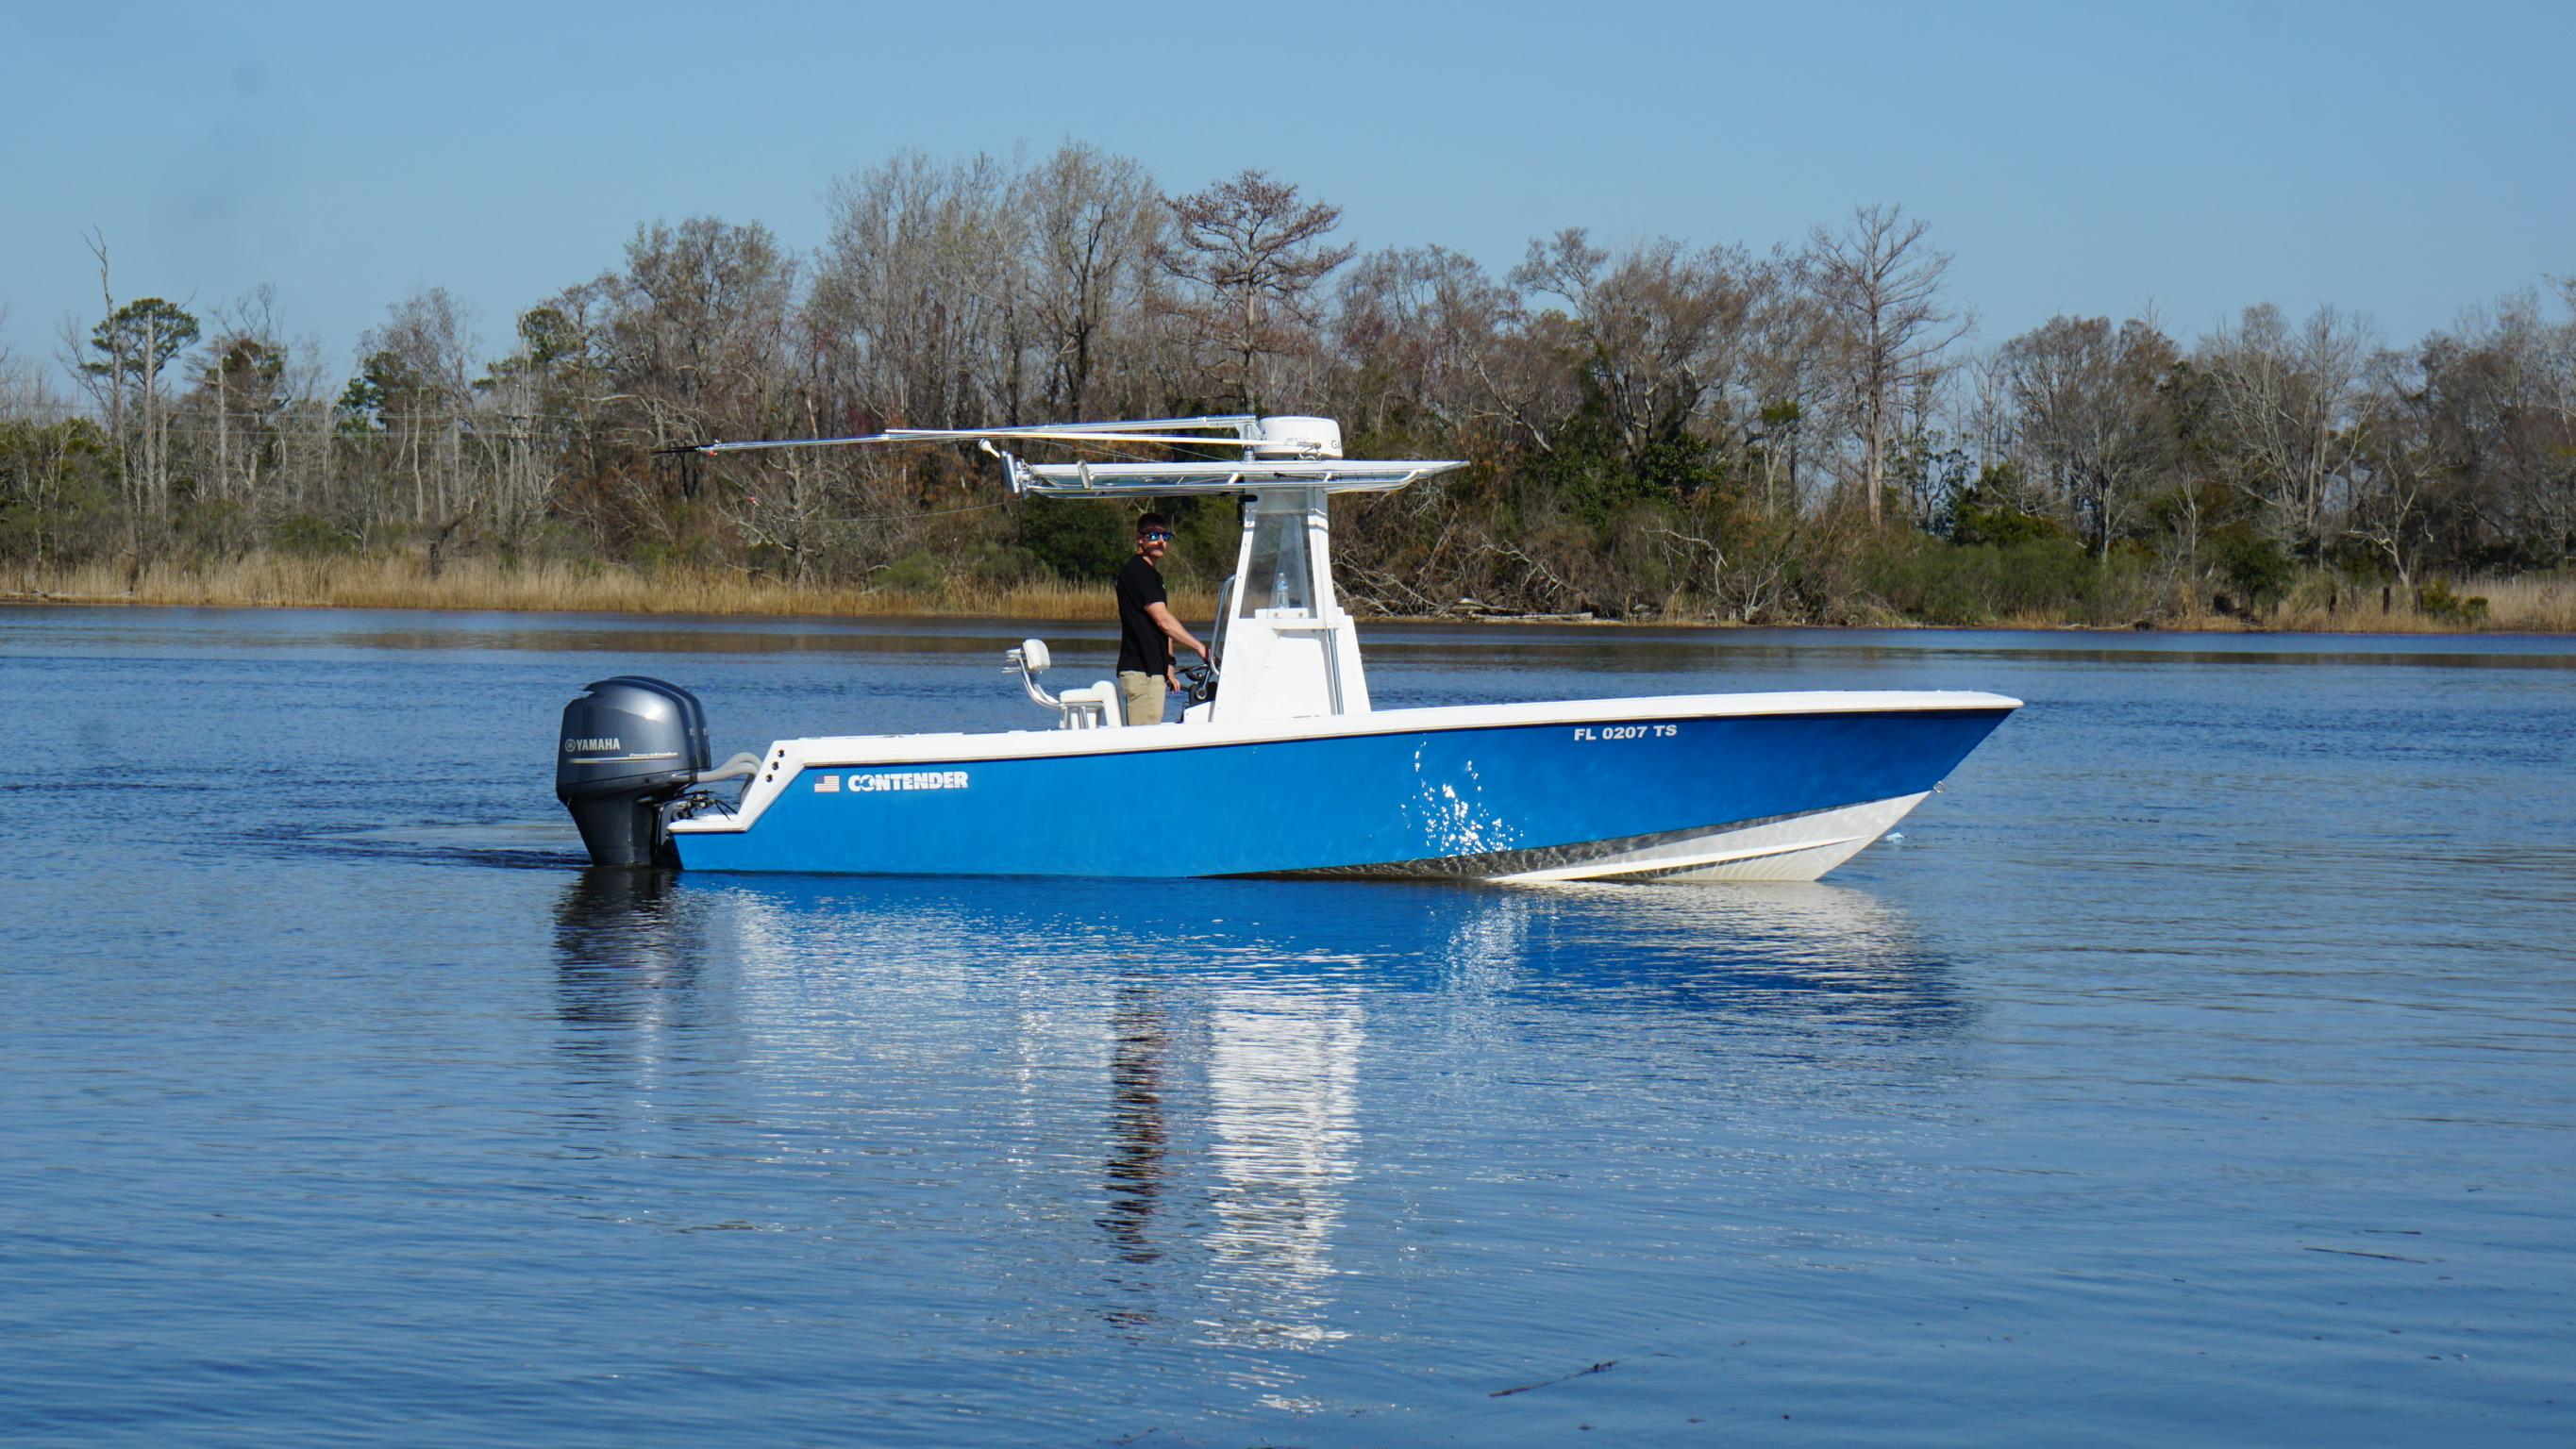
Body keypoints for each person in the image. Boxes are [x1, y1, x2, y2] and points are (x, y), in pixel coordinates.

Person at [1113, 512, 1210, 725]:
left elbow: (1163, 628)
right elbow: (1163, 621)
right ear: (1140, 538)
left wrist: (1169, 664)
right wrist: (1199, 648)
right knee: (1142, 742)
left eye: (1165, 537)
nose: (1160, 541)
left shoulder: (1152, 575)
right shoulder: (1137, 572)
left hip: (1153, 672)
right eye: (1153, 535)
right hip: (1141, 672)